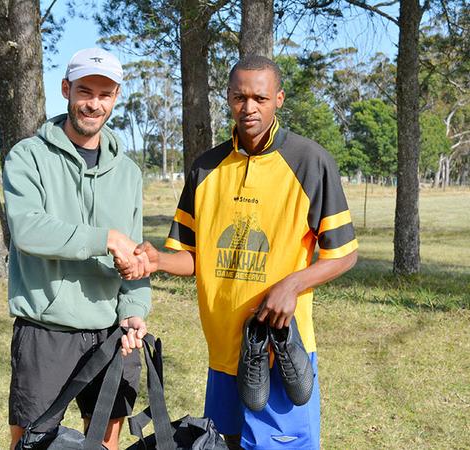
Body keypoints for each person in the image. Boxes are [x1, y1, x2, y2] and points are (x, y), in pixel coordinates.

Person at [116, 55, 358, 450]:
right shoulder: (206, 168)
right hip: (224, 357)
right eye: (239, 97)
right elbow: (194, 256)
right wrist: (158, 260)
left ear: (278, 99)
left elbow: (344, 254)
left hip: (281, 354)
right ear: (228, 98)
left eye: (260, 98)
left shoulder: (310, 162)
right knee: (222, 444)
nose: (249, 108)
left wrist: (292, 285)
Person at [3, 47, 151, 450]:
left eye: (105, 95)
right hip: (46, 330)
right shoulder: (28, 157)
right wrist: (103, 238)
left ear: (116, 97)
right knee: (30, 442)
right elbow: (28, 230)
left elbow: (135, 254)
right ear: (66, 89)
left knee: (105, 442)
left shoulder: (128, 172)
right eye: (85, 91)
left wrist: (135, 311)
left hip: (109, 331)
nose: (94, 104)